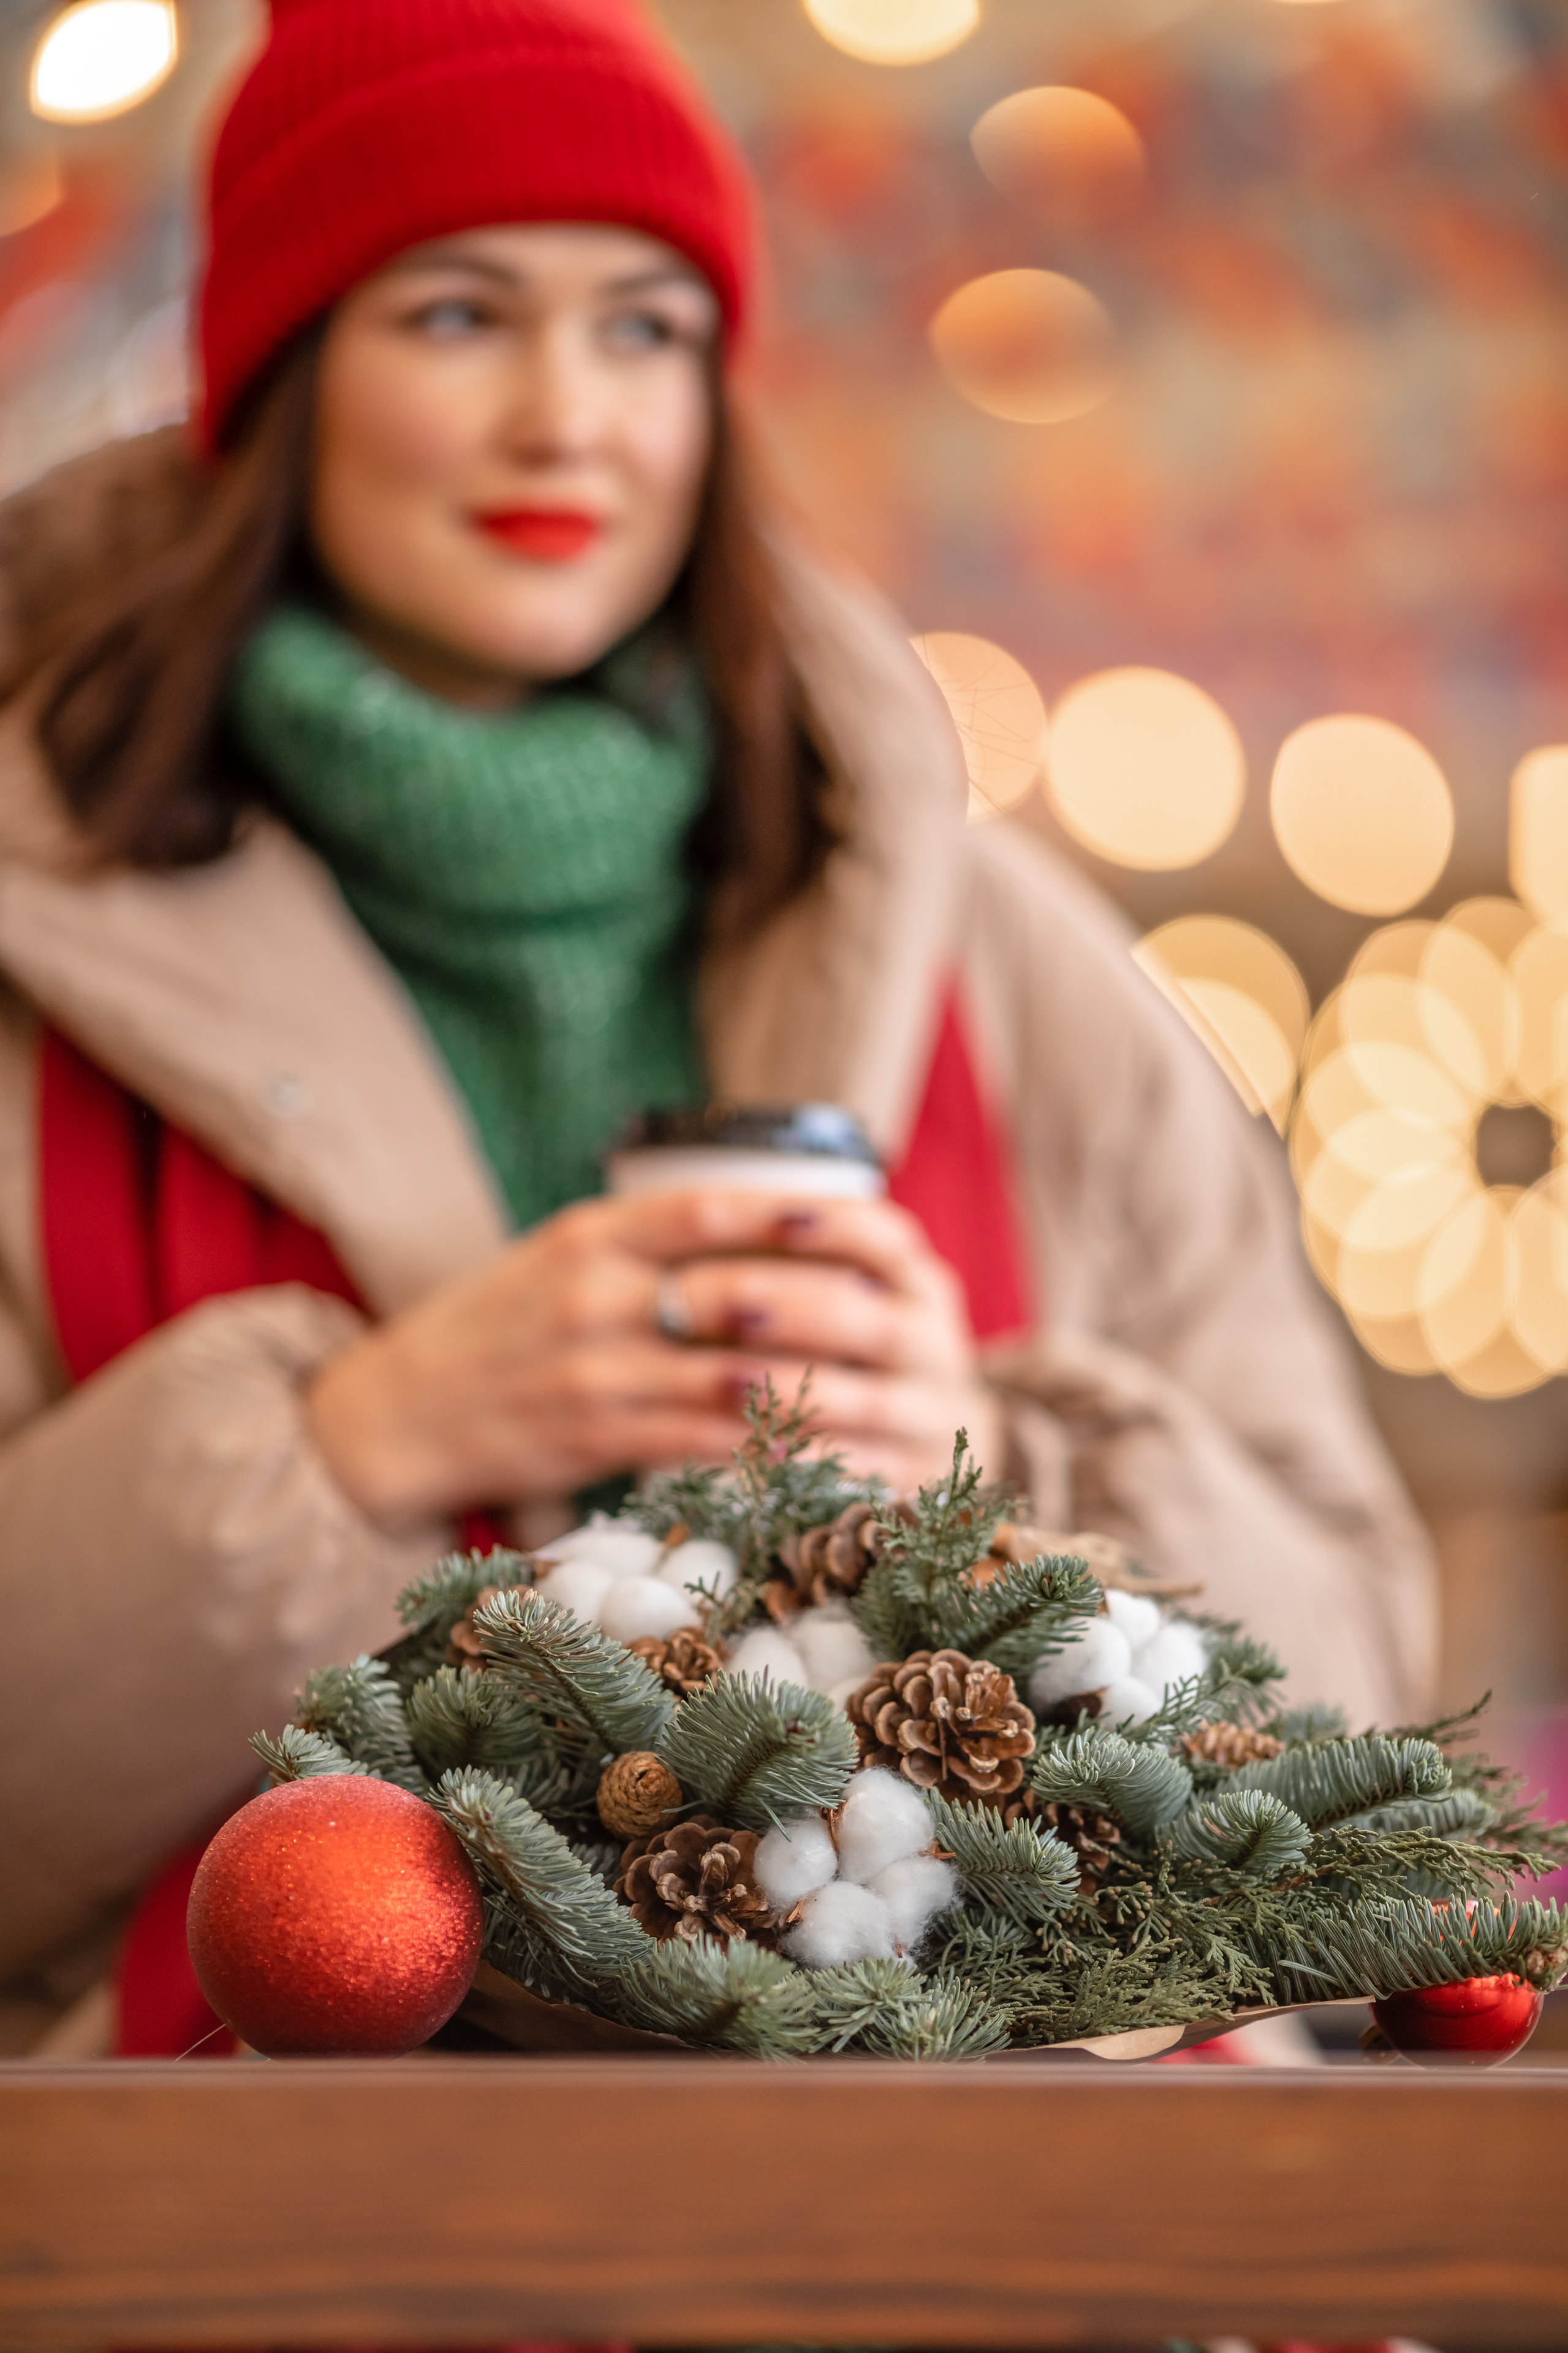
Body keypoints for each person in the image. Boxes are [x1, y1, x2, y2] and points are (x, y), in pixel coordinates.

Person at [0, 0, 1434, 2034]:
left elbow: (1366, 1705)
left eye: (647, 329)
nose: (568, 420)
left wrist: (993, 1458)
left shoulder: (1002, 950)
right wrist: (358, 1448)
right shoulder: (38, 953)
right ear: (284, 377)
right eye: (459, 317)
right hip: (263, 2238)